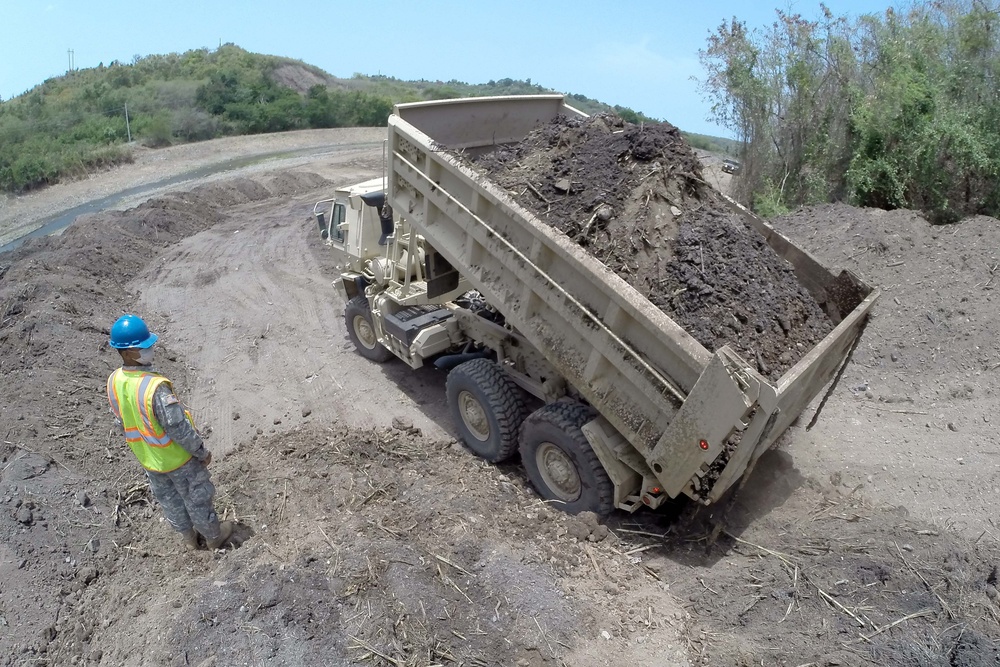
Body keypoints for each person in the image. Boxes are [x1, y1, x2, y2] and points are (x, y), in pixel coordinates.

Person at [106, 314, 234, 551]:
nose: (150, 349)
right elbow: (177, 427)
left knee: (171, 501)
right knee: (197, 497)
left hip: (150, 461)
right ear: (127, 352)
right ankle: (213, 537)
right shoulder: (153, 387)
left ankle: (189, 540)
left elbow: (121, 421)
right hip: (178, 459)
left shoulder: (115, 380)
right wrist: (200, 451)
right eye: (143, 346)